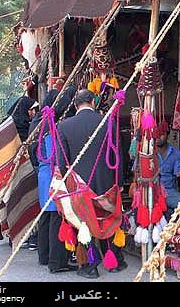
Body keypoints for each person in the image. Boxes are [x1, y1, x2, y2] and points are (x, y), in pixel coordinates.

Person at [57, 89, 126, 279]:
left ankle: (89, 267)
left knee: (84, 224)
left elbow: (61, 162)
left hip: (80, 185)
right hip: (106, 181)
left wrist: (67, 183)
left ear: (75, 104)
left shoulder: (63, 126)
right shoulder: (107, 121)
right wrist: (119, 181)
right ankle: (114, 262)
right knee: (107, 220)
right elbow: (117, 154)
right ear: (93, 102)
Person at [34, 89, 77, 273]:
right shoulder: (53, 125)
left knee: (46, 216)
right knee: (56, 218)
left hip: (43, 174)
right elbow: (56, 156)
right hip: (53, 173)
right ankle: (56, 262)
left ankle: (44, 256)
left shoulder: (40, 122)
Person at [155, 130, 180, 214]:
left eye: (162, 134)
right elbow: (136, 171)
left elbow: (177, 172)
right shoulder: (148, 152)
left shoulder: (176, 153)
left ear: (167, 135)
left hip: (168, 191)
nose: (158, 137)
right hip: (151, 190)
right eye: (156, 134)